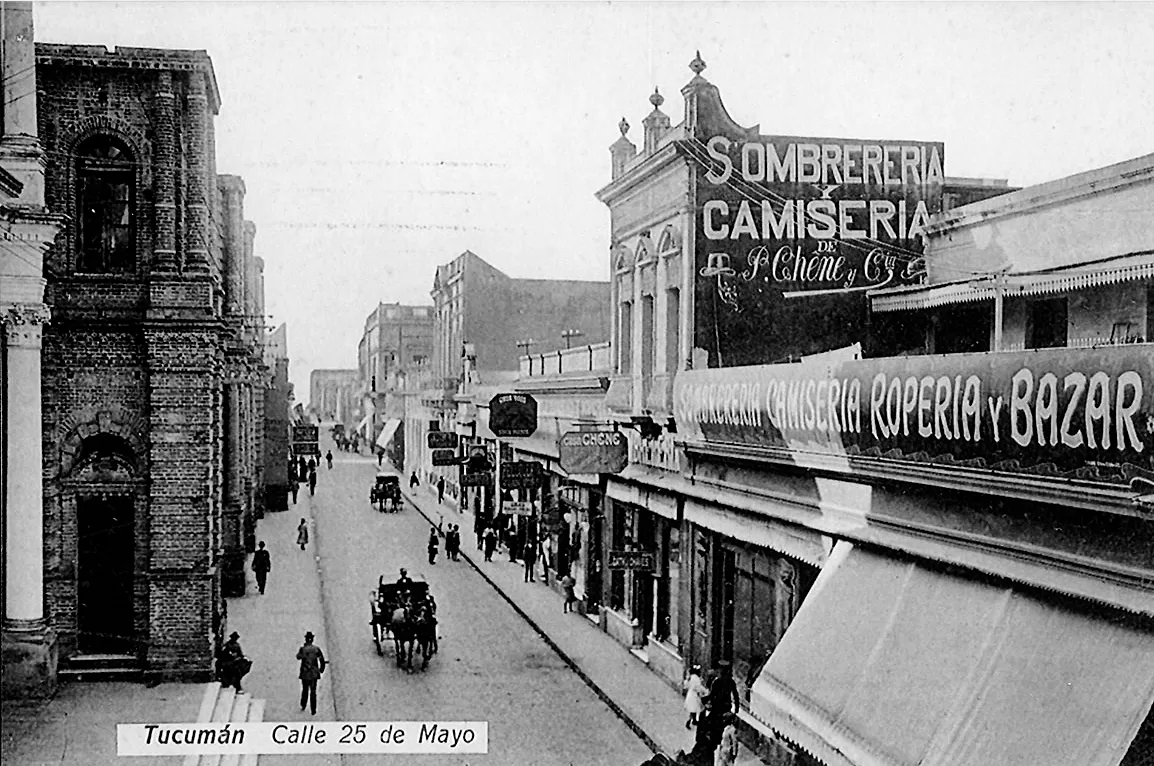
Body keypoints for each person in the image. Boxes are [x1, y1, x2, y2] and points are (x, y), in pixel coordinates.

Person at [296, 631, 327, 715]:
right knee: (313, 691)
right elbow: (322, 660)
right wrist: (321, 669)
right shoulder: (316, 649)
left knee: (305, 689)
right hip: (314, 673)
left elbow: (298, 657)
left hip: (305, 673)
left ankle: (303, 704)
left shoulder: (303, 649)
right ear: (312, 639)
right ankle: (313, 709)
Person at [684, 664, 707, 729]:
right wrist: (704, 692)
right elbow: (698, 688)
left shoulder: (690, 677)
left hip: (690, 694)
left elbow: (686, 686)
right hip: (694, 696)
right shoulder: (696, 678)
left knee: (693, 710)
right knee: (694, 710)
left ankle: (694, 720)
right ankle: (688, 722)